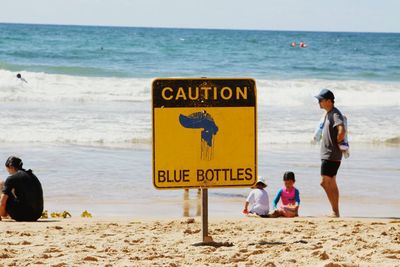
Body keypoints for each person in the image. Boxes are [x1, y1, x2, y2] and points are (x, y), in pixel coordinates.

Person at [315, 89, 346, 218]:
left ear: (328, 101)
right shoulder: (328, 113)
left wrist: (337, 142)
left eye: (320, 100)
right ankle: (335, 211)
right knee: (332, 182)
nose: (318, 103)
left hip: (331, 154)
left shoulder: (335, 113)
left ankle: (335, 210)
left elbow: (341, 129)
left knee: (324, 182)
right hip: (330, 154)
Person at [0, 156, 43, 221]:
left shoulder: (12, 178)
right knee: (11, 188)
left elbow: (3, 202)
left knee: (1, 185)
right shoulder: (32, 175)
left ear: (11, 167)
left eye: (8, 170)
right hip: (37, 214)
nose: (8, 172)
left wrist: (2, 214)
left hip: (22, 215)